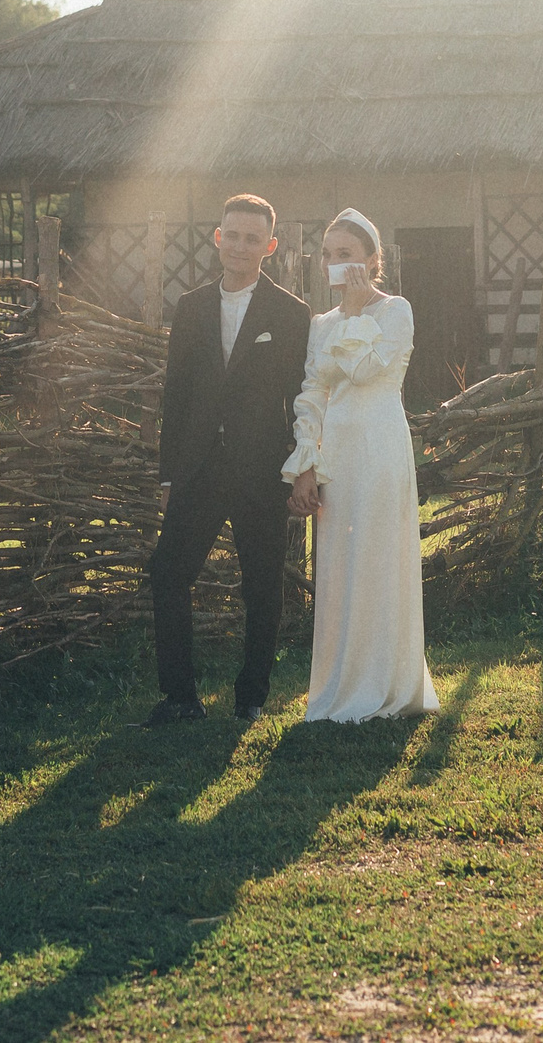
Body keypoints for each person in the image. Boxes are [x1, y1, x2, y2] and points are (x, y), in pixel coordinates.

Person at [143, 193, 312, 727]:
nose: (240, 246)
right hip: (198, 468)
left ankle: (251, 697)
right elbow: (176, 395)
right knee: (168, 571)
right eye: (231, 235)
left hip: (261, 471)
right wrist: (169, 475)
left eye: (252, 238)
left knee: (262, 583)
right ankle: (179, 698)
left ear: (270, 245)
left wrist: (301, 464)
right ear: (217, 237)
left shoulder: (291, 314)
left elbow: (301, 396)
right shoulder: (191, 307)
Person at [284, 210, 440, 722]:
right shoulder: (320, 324)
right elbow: (313, 392)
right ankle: (339, 686)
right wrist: (306, 463)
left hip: (379, 449)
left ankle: (388, 685)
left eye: (345, 255)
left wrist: (354, 308)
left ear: (373, 261)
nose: (334, 264)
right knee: (339, 565)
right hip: (337, 456)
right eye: (328, 255)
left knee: (378, 557)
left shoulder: (397, 311)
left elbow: (368, 369)